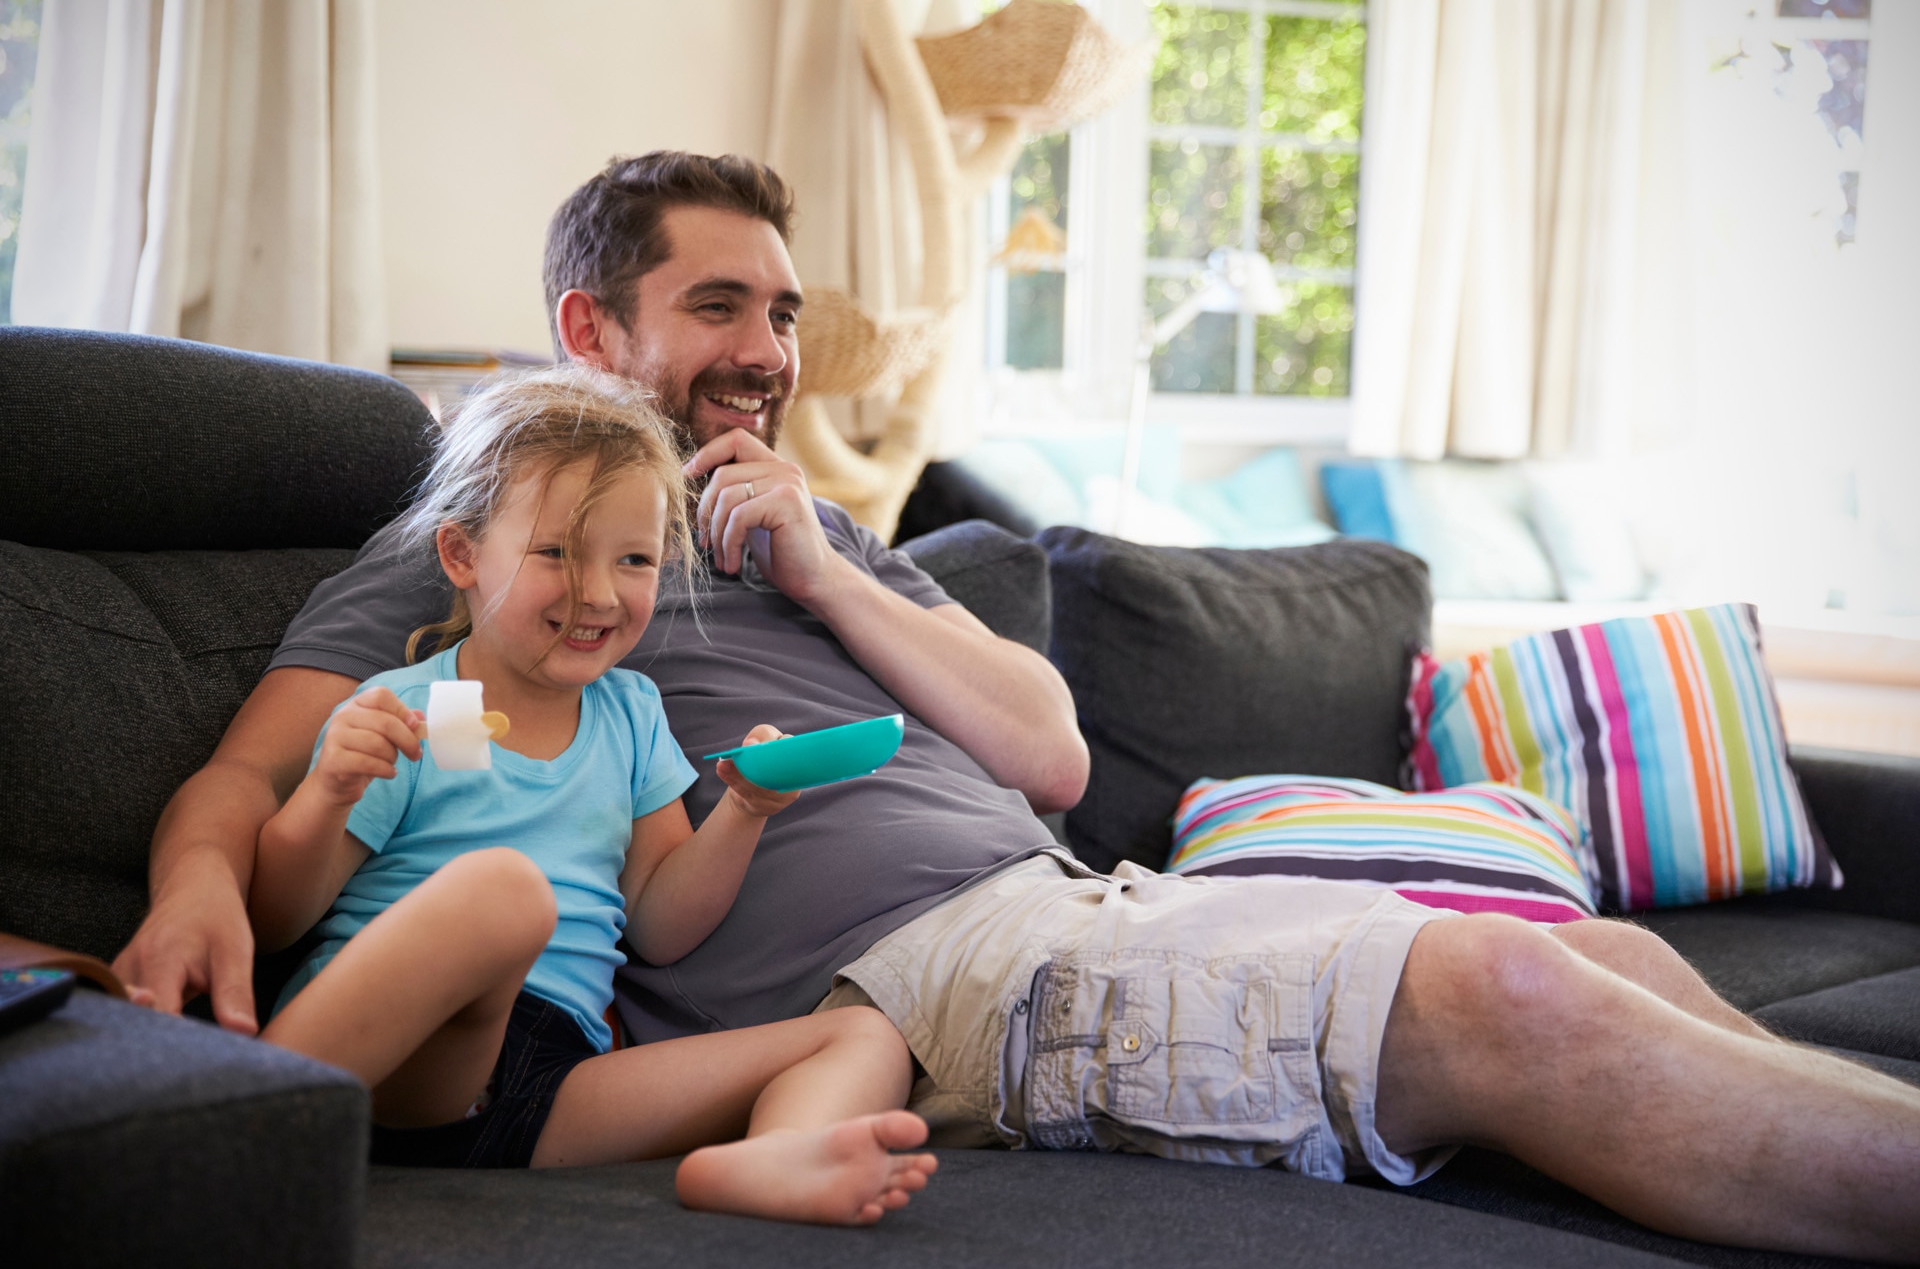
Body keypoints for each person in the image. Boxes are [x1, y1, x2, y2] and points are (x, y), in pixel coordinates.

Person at [115, 152, 1920, 1262]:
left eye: (787, 311)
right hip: (939, 980)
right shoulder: (495, 548)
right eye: (718, 304)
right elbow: (250, 774)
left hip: (1079, 903)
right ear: (591, 331)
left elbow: (1052, 753)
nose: (767, 348)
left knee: (1603, 956)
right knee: (1512, 990)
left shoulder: (822, 530)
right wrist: (207, 887)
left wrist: (824, 564)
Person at [249, 367, 937, 1223]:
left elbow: (658, 921)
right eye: (556, 553)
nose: (601, 593)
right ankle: (236, 1127)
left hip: (550, 1086)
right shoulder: (407, 710)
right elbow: (277, 918)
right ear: (462, 554)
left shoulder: (632, 714)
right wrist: (324, 791)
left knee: (870, 1027)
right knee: (503, 894)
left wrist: (745, 810)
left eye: (636, 560)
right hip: (402, 1060)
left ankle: (770, 1161)